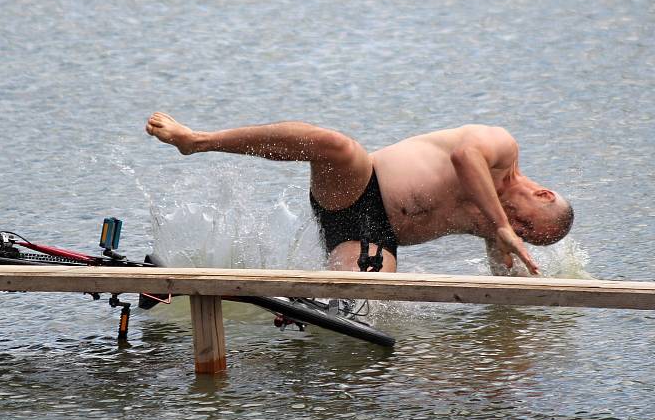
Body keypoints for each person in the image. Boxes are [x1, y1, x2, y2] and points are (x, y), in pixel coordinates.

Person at [145, 112, 573, 276]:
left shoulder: (493, 226)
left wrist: (522, 275)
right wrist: (504, 226)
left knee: (365, 303)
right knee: (337, 146)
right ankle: (198, 139)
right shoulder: (502, 147)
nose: (515, 227)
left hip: (372, 236)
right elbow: (464, 156)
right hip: (357, 187)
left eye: (522, 232)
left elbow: (507, 284)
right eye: (525, 224)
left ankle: (297, 307)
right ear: (544, 194)